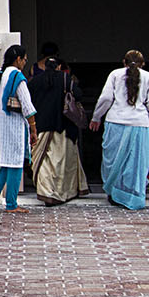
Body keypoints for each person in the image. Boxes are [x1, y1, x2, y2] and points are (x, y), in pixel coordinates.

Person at [89, 49, 149, 210]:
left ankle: (114, 193)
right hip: (140, 125)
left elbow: (106, 98)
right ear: (143, 64)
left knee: (114, 161)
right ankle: (132, 195)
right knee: (135, 164)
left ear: (124, 62)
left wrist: (96, 117)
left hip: (116, 122)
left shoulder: (115, 74)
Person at [28, 49, 88, 205]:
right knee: (62, 162)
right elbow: (79, 95)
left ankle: (46, 192)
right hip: (63, 127)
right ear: (59, 67)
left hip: (41, 126)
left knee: (43, 162)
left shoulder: (35, 81)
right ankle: (63, 192)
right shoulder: (65, 79)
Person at [0, 44, 37, 212]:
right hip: (13, 125)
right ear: (18, 59)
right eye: (24, 59)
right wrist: (33, 128)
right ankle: (12, 203)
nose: (25, 62)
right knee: (15, 163)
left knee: (6, 162)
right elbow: (27, 106)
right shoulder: (17, 77)